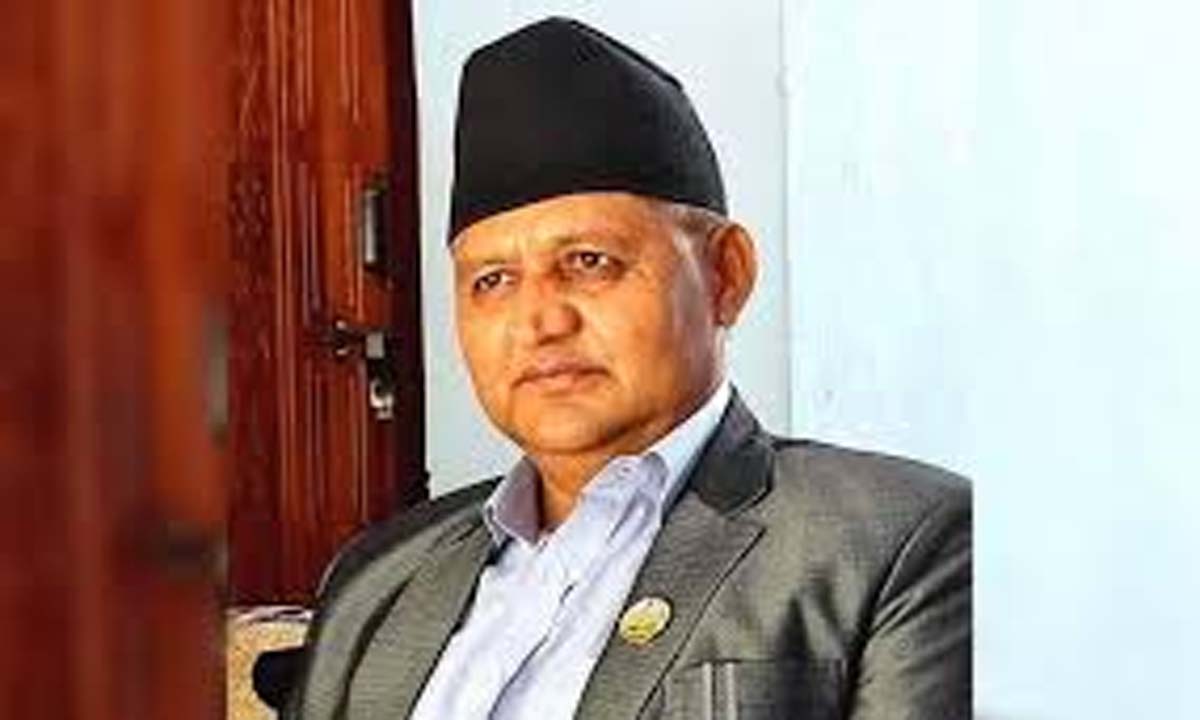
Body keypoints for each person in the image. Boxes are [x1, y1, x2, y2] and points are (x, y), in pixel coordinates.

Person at [284, 17, 970, 720]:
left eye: (589, 262)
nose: (541, 320)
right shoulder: (381, 579)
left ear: (725, 275)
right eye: (493, 280)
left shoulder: (894, 540)